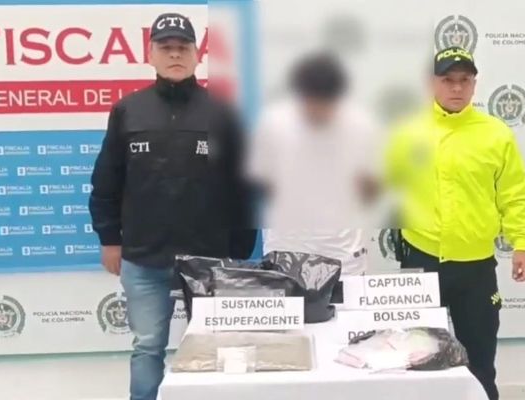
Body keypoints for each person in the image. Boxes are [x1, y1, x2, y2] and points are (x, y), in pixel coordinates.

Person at [89, 13, 255, 400]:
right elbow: (107, 181)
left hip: (209, 257)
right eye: (166, 48)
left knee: (214, 344)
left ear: (198, 55)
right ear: (151, 55)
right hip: (144, 258)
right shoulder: (127, 110)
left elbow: (243, 186)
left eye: (183, 47)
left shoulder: (222, 112)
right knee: (147, 346)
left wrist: (239, 248)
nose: (175, 54)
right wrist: (110, 239)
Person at [385, 46, 525, 400]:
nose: (456, 88)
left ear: (474, 84)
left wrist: (521, 243)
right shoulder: (407, 131)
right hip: (422, 261)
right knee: (417, 363)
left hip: (476, 268)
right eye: (447, 80)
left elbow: (514, 193)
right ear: (431, 83)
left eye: (464, 80)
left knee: (480, 363)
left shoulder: (496, 134)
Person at [247, 52, 380, 275]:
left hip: (345, 256)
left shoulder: (362, 126)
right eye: (312, 102)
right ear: (300, 95)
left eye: (326, 103)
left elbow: (372, 188)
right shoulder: (273, 125)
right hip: (287, 252)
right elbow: (261, 183)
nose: (319, 110)